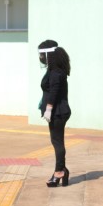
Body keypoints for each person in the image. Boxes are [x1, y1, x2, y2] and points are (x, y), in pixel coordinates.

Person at [38, 40, 72, 187]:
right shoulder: (54, 70)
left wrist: (48, 109)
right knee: (56, 141)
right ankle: (62, 170)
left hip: (58, 112)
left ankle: (59, 171)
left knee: (57, 142)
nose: (40, 58)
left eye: (42, 54)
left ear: (49, 55)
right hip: (57, 112)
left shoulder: (56, 73)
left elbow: (54, 92)